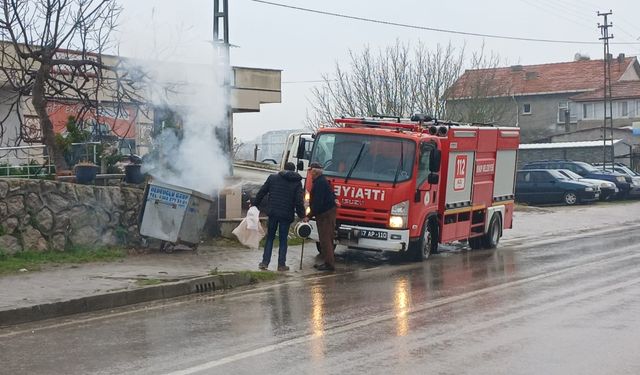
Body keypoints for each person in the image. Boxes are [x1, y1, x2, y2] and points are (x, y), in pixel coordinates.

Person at [253, 162, 305, 271]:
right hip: (286, 214)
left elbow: (262, 192)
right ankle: (281, 265)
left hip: (273, 212)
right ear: (294, 170)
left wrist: (254, 204)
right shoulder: (297, 182)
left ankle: (264, 263)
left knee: (270, 238)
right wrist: (302, 215)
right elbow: (299, 201)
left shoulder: (273, 178)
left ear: (284, 169)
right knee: (283, 239)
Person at [305, 162, 337, 271]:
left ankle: (329, 264)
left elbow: (318, 203)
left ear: (315, 172)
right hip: (326, 213)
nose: (309, 174)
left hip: (325, 214)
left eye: (310, 171)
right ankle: (327, 262)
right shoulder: (321, 181)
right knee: (326, 239)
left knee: (325, 239)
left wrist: (309, 216)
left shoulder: (320, 183)